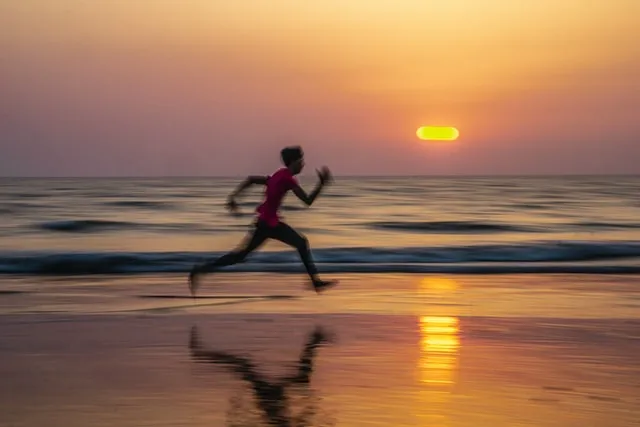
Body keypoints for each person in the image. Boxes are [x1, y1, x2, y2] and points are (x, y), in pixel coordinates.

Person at [188, 146, 337, 296]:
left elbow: (251, 180)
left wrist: (234, 197)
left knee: (240, 256)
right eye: (301, 161)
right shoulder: (288, 179)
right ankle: (315, 283)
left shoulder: (279, 174)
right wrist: (321, 184)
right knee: (301, 243)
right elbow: (307, 201)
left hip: (265, 222)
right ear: (293, 162)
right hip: (270, 224)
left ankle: (201, 269)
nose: (303, 164)